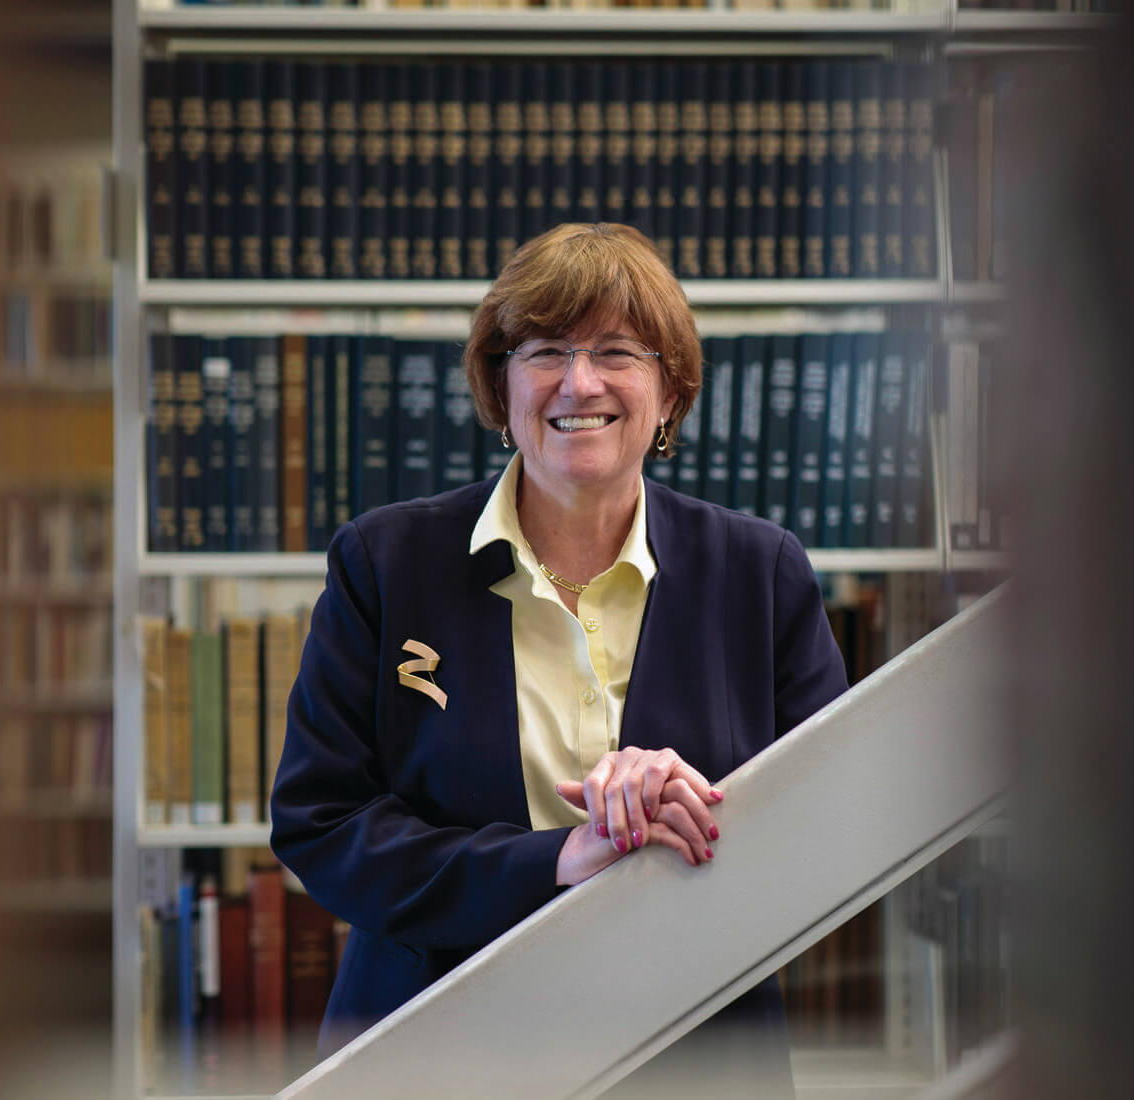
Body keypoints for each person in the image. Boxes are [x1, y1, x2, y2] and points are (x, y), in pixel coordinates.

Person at [269, 222, 848, 1092]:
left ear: (672, 390)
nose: (579, 382)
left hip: (697, 1054)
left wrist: (681, 807)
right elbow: (323, 823)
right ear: (501, 387)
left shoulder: (759, 572)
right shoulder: (385, 565)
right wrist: (558, 861)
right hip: (438, 1050)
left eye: (617, 351)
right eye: (544, 351)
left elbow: (832, 830)